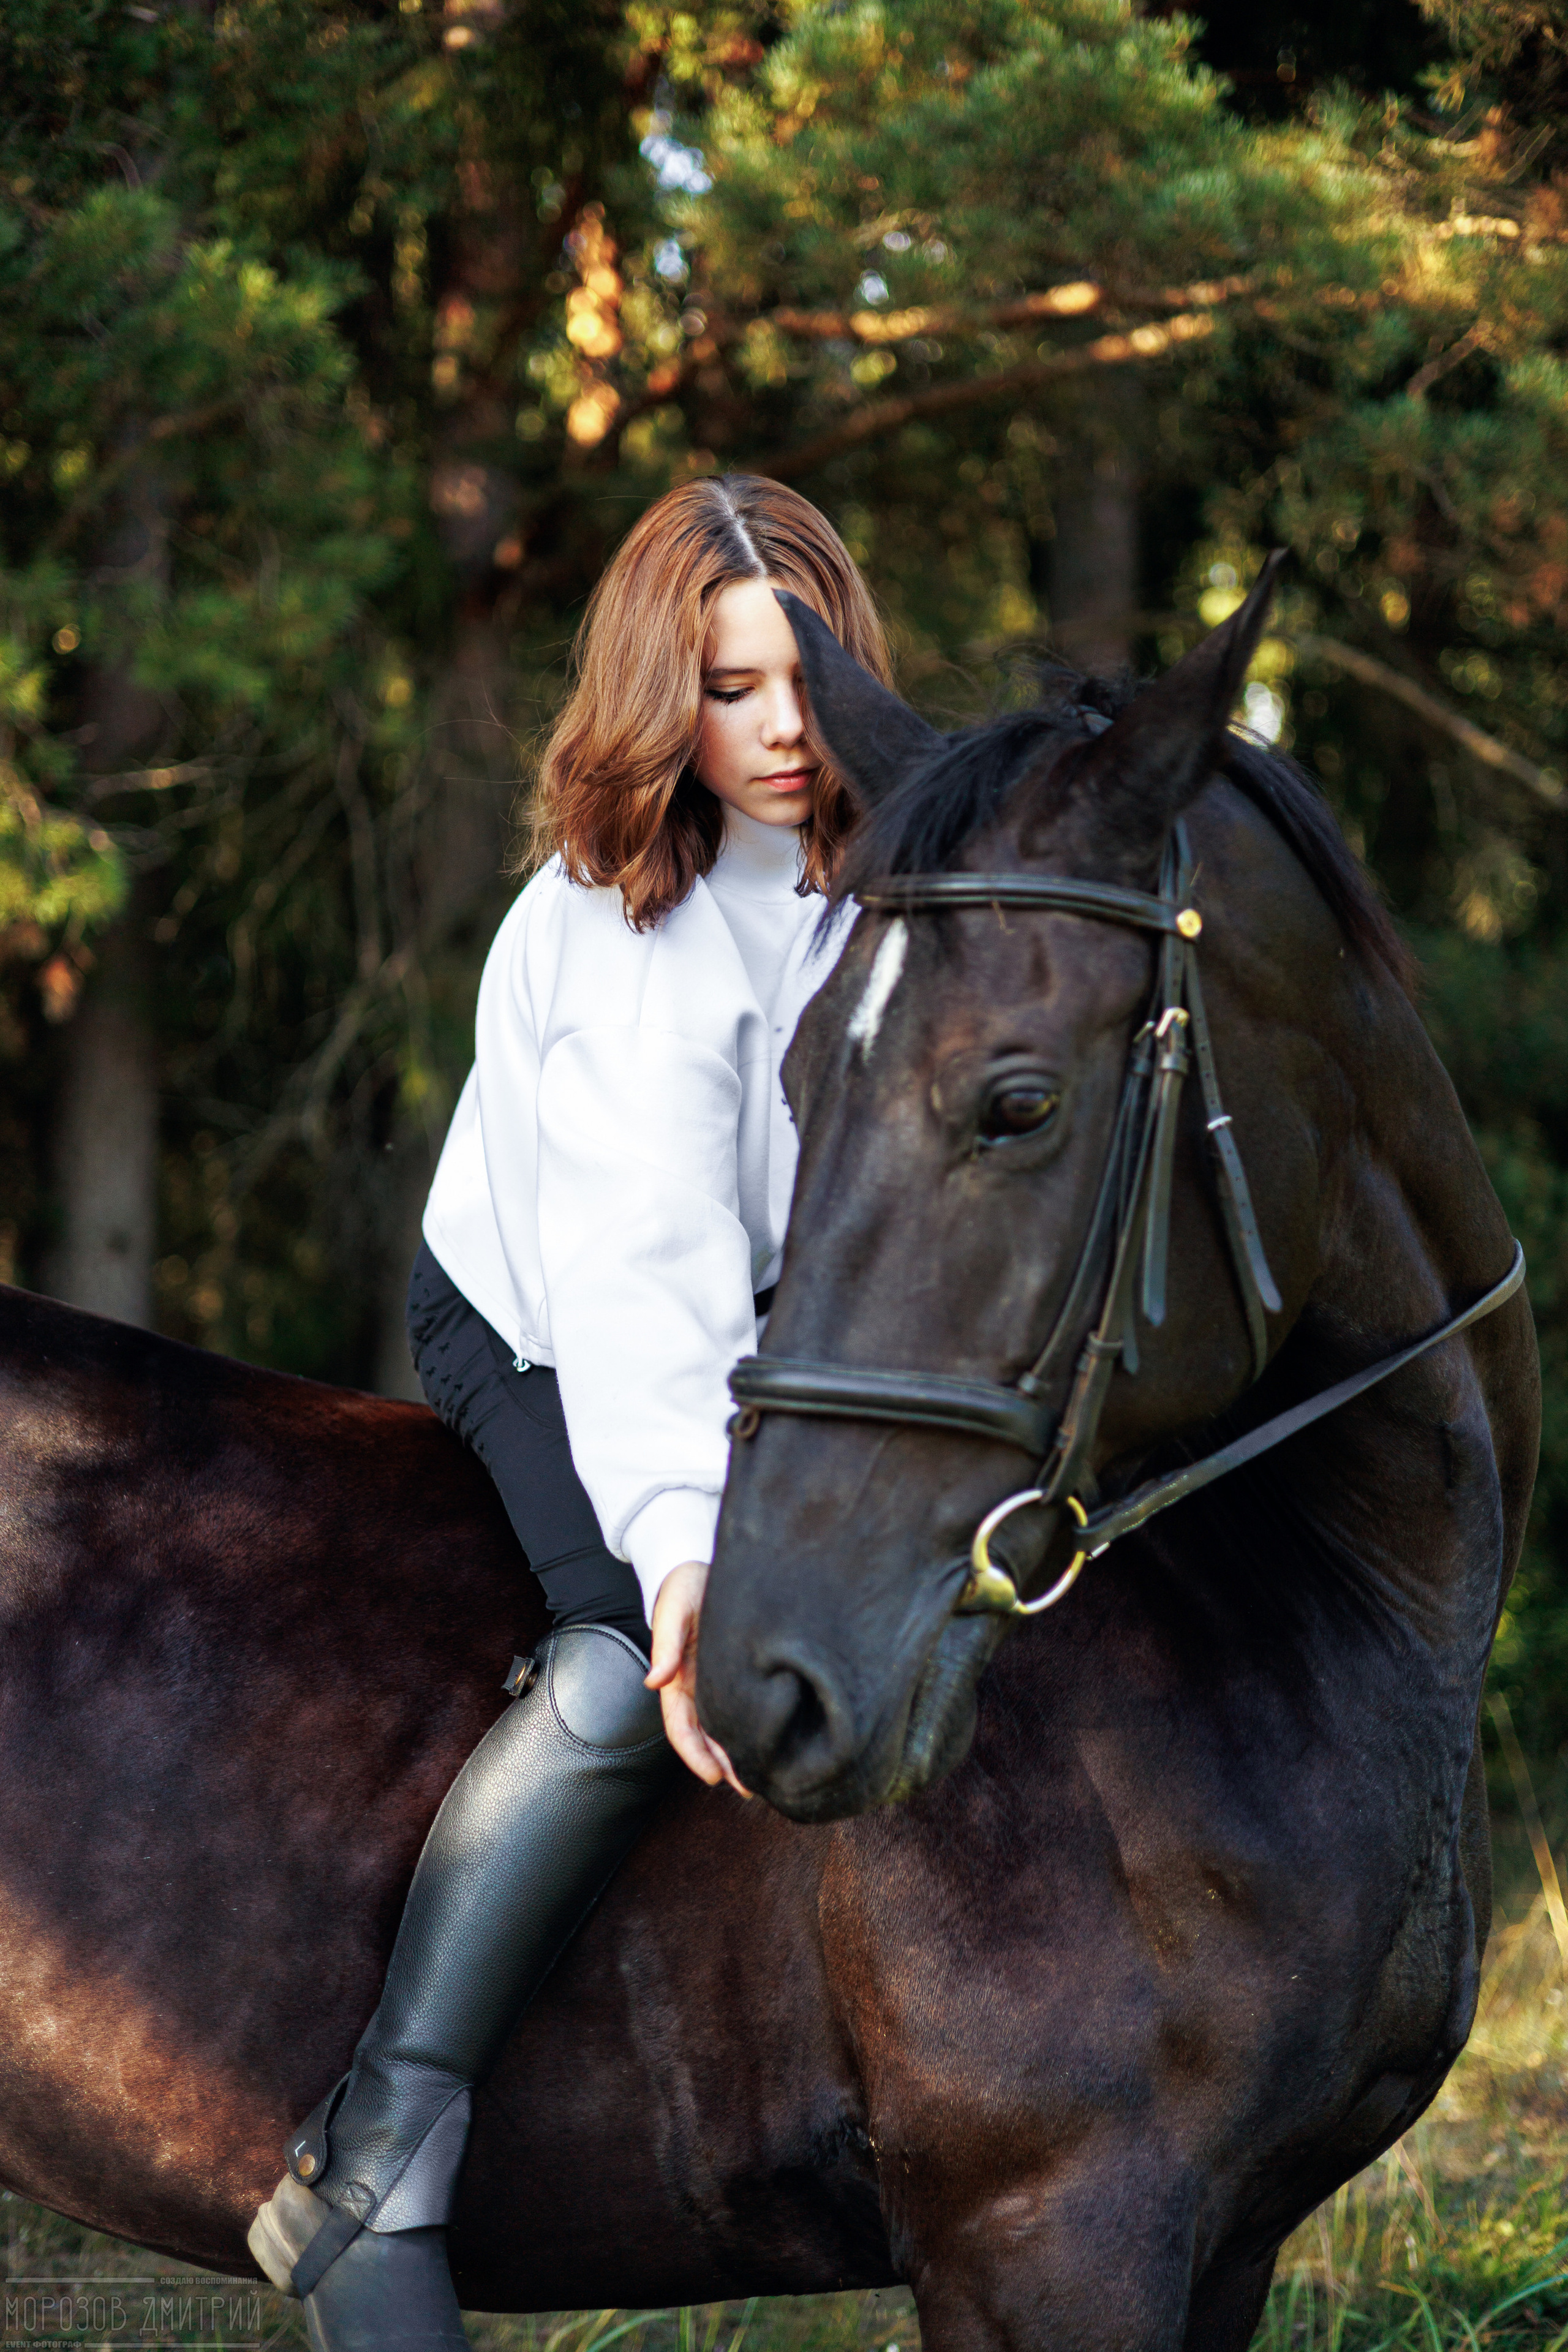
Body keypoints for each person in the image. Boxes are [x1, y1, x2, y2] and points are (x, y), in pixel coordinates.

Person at [247, 475, 894, 2351]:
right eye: (728, 688)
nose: (780, 728)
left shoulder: (886, 868)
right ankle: (378, 2166)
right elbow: (640, 1277)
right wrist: (681, 1552)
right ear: (657, 701)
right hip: (538, 1319)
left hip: (776, 1331)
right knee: (625, 1666)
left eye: (807, 675)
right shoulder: (629, 930)